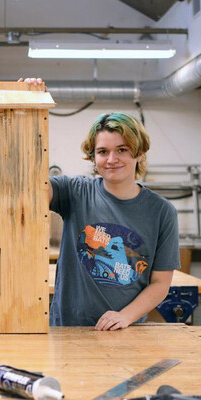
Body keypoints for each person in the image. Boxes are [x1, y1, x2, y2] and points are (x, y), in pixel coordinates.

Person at [49, 112, 180, 330]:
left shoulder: (162, 212)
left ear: (139, 152)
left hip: (125, 333)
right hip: (67, 330)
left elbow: (160, 284)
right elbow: (28, 188)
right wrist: (24, 107)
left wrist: (125, 316)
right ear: (93, 157)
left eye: (122, 150)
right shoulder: (74, 192)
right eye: (102, 152)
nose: (111, 159)